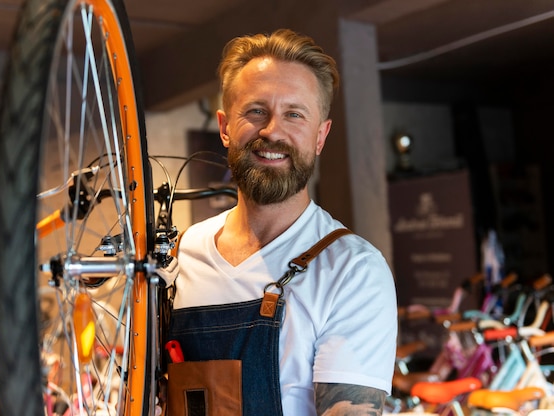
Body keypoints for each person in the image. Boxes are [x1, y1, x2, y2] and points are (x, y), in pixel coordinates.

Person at [166, 28, 397, 416]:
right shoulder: (178, 256)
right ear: (224, 127)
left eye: (294, 114)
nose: (272, 130)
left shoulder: (351, 269)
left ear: (320, 136)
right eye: (256, 111)